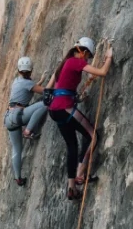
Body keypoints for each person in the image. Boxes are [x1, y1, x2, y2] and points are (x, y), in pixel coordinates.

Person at [47, 36, 113, 200]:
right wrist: (109, 57)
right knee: (93, 136)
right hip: (64, 107)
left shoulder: (65, 63)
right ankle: (80, 174)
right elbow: (102, 72)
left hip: (55, 109)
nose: (88, 59)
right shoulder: (76, 62)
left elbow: (60, 86)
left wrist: (76, 97)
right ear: (83, 52)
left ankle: (72, 188)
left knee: (72, 146)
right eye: (89, 56)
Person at [4, 56, 48, 187]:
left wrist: (40, 81)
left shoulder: (16, 81)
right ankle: (28, 131)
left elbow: (29, 89)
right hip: (19, 116)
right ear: (31, 70)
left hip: (9, 119)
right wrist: (51, 80)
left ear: (19, 70)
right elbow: (45, 92)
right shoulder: (27, 83)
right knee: (45, 103)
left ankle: (18, 178)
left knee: (17, 150)